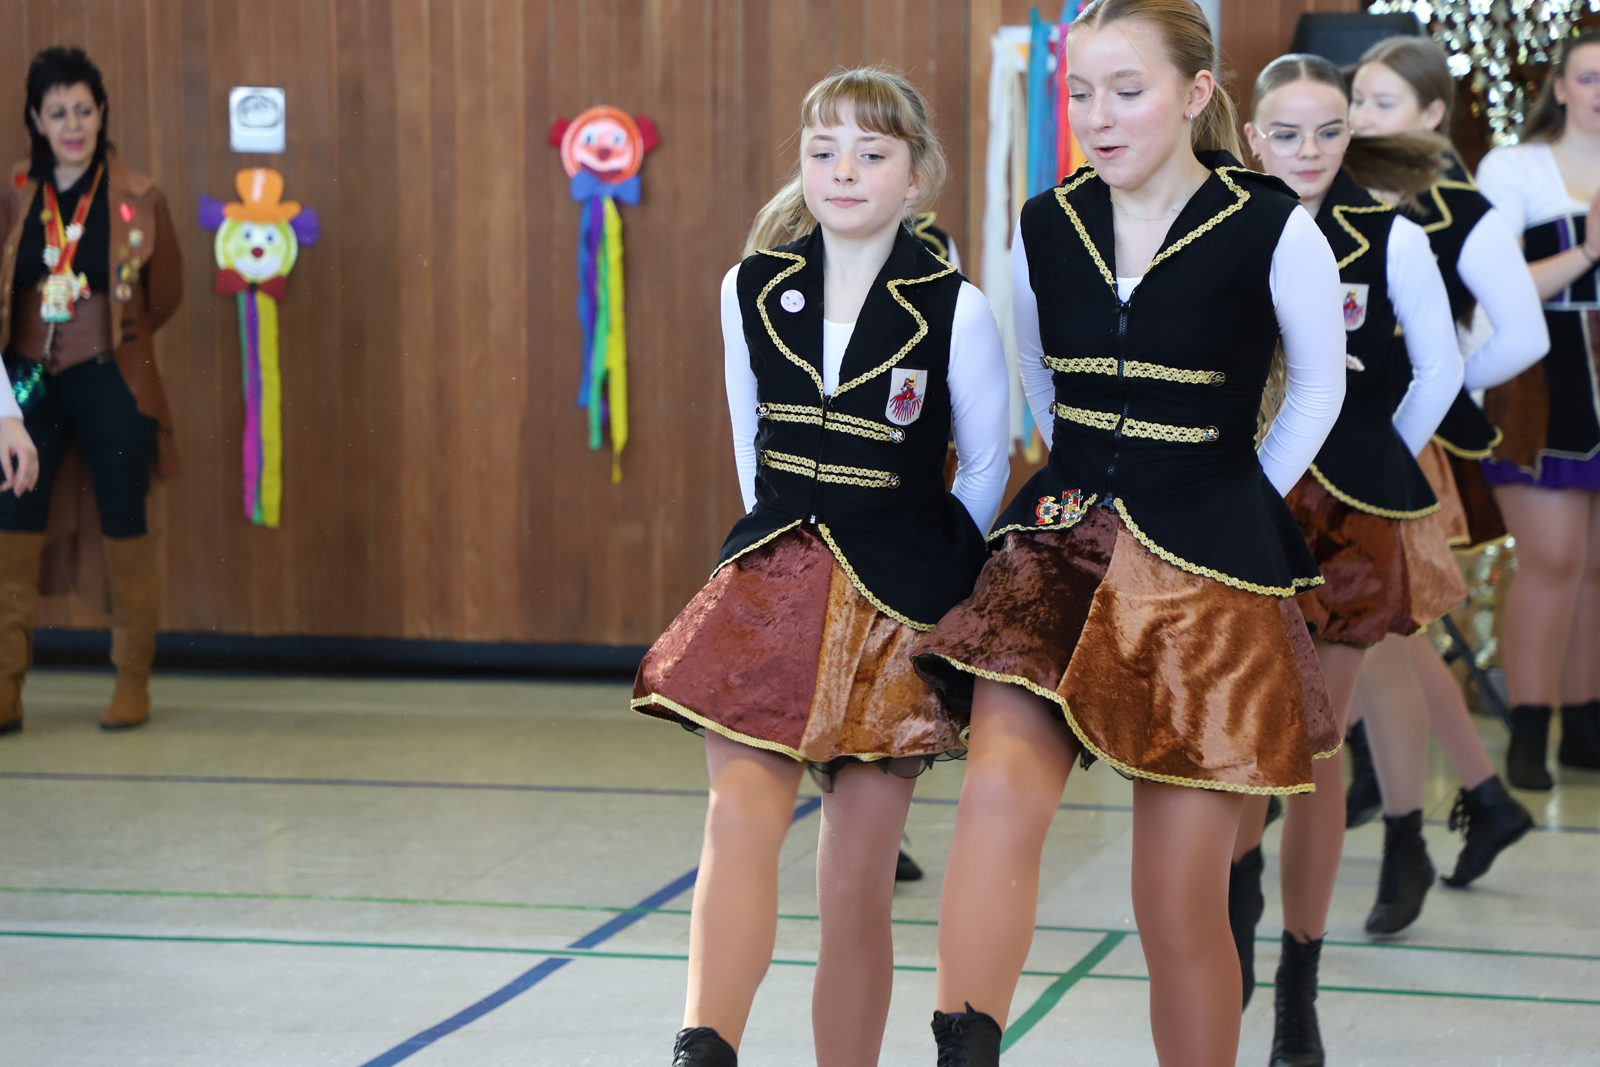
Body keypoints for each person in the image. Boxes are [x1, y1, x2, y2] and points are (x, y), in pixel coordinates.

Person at [911, 3, 1346, 1064]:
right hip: (1056, 551)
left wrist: (1232, 496)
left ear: (1195, 95)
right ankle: (961, 1047)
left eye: (1127, 90)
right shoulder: (1045, 220)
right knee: (995, 797)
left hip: (1210, 577)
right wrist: (1087, 463)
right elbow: (1035, 370)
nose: (1098, 116)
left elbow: (1317, 388)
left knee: (1177, 898)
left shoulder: (1271, 224)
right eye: (1080, 94)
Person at [630, 67, 1010, 1067]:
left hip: (894, 612)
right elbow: (747, 441)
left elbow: (983, 468)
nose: (843, 170)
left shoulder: (956, 307)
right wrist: (778, 557)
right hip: (770, 593)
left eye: (871, 152)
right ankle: (703, 1045)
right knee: (738, 820)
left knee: (855, 885)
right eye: (823, 150)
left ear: (915, 178)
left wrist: (925, 576)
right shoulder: (750, 286)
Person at [1230, 53, 1463, 1065]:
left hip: (1349, 520)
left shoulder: (1390, 235)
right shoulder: (1224, 226)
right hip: (1239, 507)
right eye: (1287, 133)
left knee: (1315, 747)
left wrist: (1370, 456)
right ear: (1253, 136)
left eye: (1329, 131)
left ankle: (1299, 979)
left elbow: (1441, 368)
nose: (1309, 151)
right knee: (1243, 734)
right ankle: (1234, 905)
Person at [1339, 35, 1545, 906]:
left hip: (1400, 446)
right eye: (1356, 98)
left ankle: (1431, 801)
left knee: (1384, 631)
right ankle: (1470, 793)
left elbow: (1524, 334)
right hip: (1329, 443)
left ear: (1431, 114)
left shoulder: (1462, 209)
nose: (1359, 117)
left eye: (1381, 103)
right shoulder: (1331, 190)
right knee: (1382, 633)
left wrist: (1441, 388)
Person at [0, 46, 182, 735]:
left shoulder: (139, 195)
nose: (72, 124)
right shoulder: (16, 192)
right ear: (35, 121)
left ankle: (133, 681)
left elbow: (166, 293)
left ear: (102, 112)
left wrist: (113, 338)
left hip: (111, 374)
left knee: (125, 521)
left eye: (83, 109)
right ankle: (4, 688)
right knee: (9, 525)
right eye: (57, 112)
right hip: (26, 381)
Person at [1473, 30, 1600, 789]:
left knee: (1595, 567)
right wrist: (1588, 249)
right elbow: (1493, 286)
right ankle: (1529, 727)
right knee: (1551, 559)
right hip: (1541, 381)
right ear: (1559, 86)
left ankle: (1585, 724)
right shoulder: (1514, 167)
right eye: (1589, 77)